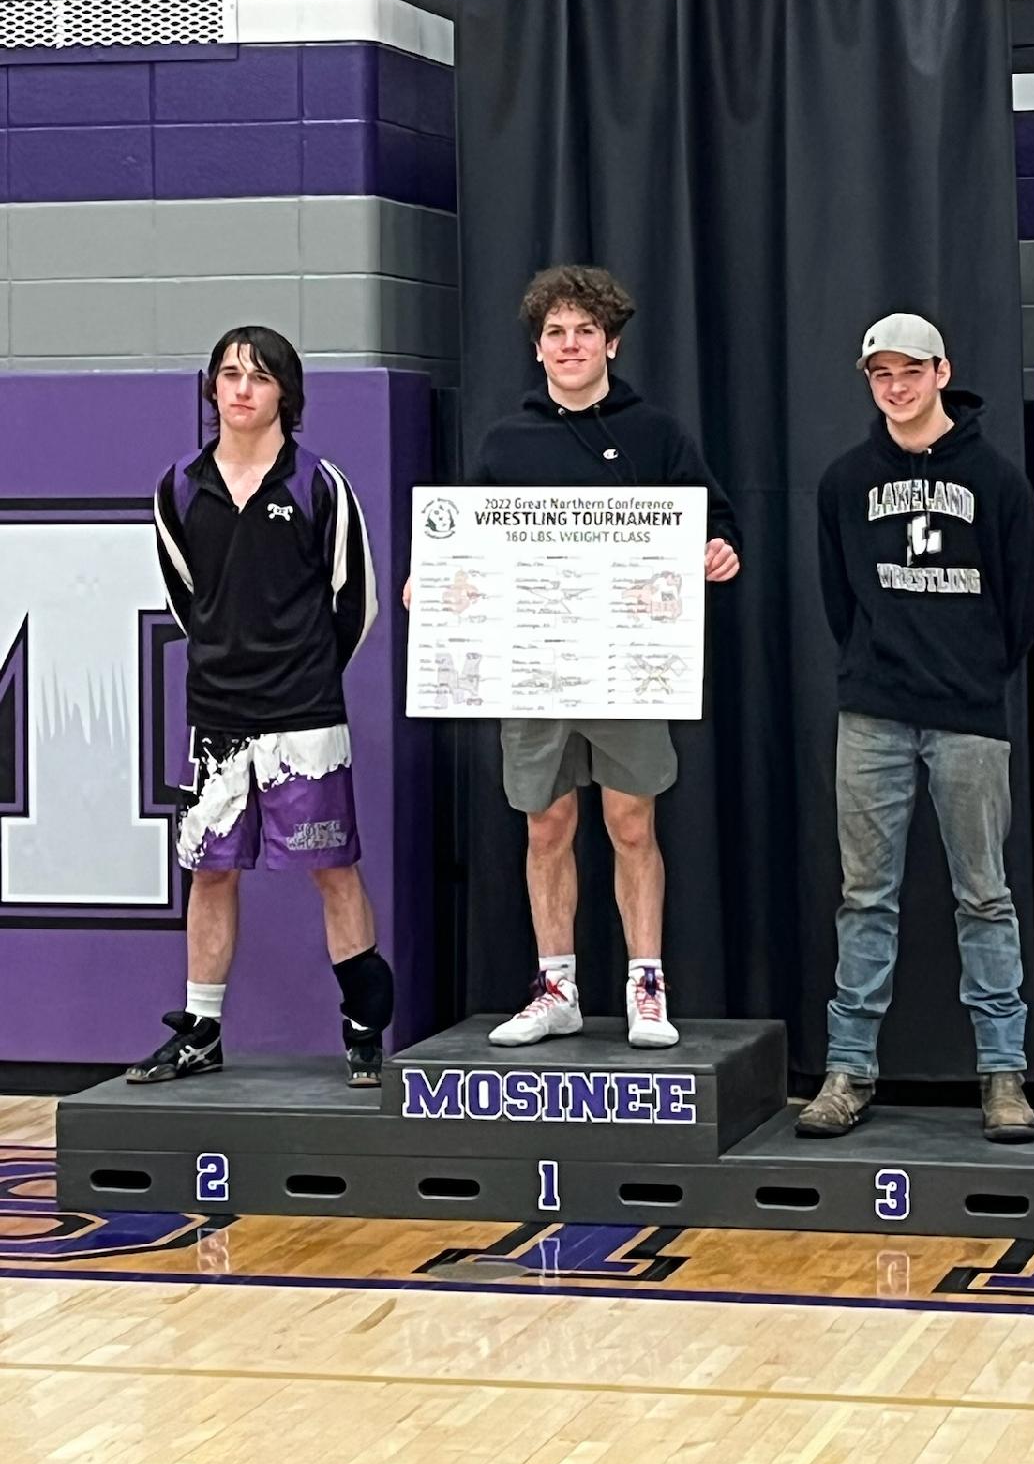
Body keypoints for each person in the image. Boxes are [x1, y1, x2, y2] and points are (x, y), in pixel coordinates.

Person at [409, 265, 740, 1050]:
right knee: (546, 825)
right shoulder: (505, 440)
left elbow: (710, 515)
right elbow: (465, 539)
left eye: (584, 331)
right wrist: (434, 577)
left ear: (611, 343)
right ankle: (555, 985)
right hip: (533, 669)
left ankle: (646, 987)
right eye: (555, 333)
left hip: (624, 667)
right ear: (537, 349)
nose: (569, 344)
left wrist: (717, 549)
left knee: (631, 822)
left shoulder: (656, 433)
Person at [798, 313, 1034, 1143]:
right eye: (881, 375)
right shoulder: (843, 482)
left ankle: (1003, 1076)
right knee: (864, 898)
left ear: (943, 372)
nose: (897, 388)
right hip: (872, 715)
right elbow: (840, 599)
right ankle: (847, 1071)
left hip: (969, 721)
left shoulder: (996, 481)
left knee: (984, 896)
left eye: (911, 372)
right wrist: (880, 663)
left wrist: (974, 673)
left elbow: (1029, 597)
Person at [129, 326, 393, 1088]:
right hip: (216, 719)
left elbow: (358, 602)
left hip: (306, 720)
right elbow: (188, 600)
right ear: (211, 390)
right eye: (229, 375)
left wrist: (304, 678)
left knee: (333, 868)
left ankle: (363, 1027)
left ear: (286, 393)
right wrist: (231, 662)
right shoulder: (178, 487)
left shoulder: (319, 484)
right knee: (210, 874)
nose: (241, 389)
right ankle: (201, 1032)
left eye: (259, 376)